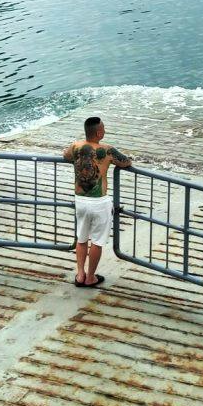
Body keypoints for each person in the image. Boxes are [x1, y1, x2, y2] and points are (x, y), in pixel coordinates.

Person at [63, 116, 132, 288]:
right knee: (98, 242)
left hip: (80, 200)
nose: (105, 131)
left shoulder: (75, 146)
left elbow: (66, 156)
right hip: (99, 202)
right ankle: (91, 277)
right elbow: (126, 162)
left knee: (81, 238)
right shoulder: (107, 150)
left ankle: (80, 274)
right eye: (104, 129)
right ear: (99, 132)